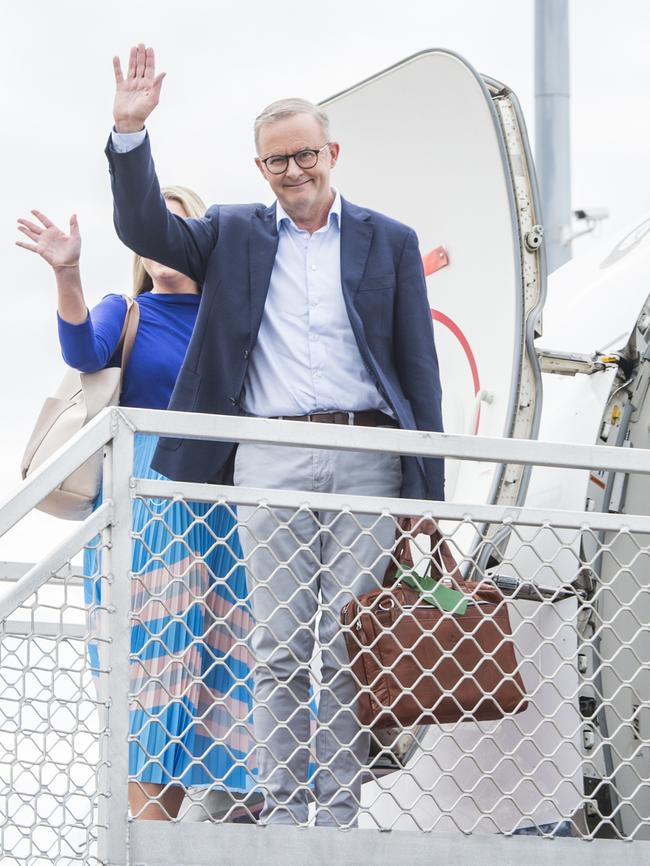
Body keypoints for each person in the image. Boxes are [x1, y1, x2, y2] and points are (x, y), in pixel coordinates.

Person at [105, 43, 444, 828]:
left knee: (354, 644)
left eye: (304, 155)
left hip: (369, 459)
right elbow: (145, 223)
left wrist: (426, 494)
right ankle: (290, 812)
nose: (293, 171)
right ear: (259, 169)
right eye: (275, 161)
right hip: (269, 457)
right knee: (282, 646)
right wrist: (129, 132)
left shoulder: (388, 241)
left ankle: (337, 814)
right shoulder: (231, 234)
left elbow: (419, 373)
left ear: (332, 153)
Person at [16, 189, 256, 821]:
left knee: (217, 678)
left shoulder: (230, 317)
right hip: (146, 504)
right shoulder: (128, 310)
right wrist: (67, 275)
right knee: (153, 682)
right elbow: (81, 352)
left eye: (175, 226)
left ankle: (178, 837)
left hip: (223, 510)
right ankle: (149, 843)